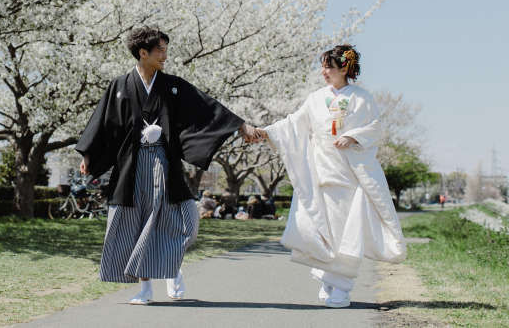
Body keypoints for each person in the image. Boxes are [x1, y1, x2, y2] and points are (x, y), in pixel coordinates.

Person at [77, 26, 255, 305]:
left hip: (164, 164)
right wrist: (88, 155)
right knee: (137, 225)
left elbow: (207, 109)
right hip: (132, 167)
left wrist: (240, 124)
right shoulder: (120, 86)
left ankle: (172, 264)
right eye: (160, 50)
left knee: (188, 223)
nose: (165, 55)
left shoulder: (173, 85)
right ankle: (145, 288)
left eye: (165, 50)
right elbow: (105, 124)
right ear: (143, 52)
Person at [249, 45, 406, 309]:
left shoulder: (363, 99)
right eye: (322, 66)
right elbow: (294, 123)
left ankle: (342, 288)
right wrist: (266, 132)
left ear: (344, 68)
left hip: (348, 176)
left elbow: (375, 128)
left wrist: (353, 136)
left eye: (328, 67)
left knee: (346, 233)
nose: (323, 72)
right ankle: (328, 282)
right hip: (320, 172)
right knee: (323, 231)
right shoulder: (315, 98)